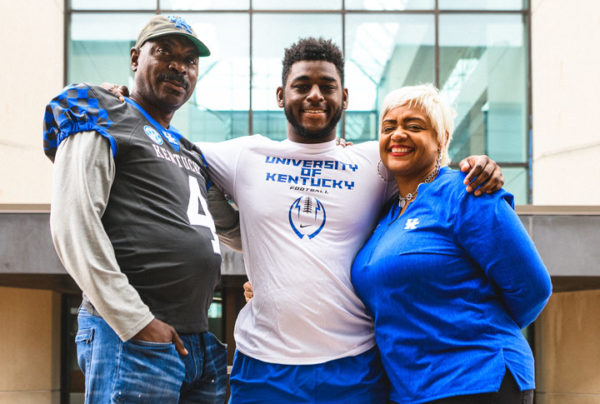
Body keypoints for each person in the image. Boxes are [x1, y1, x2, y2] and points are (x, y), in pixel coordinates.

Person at [195, 38, 504, 403]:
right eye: (301, 86)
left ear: (345, 97)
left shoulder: (375, 161)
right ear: (280, 95)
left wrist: (479, 165)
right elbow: (172, 151)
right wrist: (120, 102)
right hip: (263, 366)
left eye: (327, 87)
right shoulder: (245, 154)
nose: (314, 95)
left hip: (354, 367)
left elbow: (429, 171)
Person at [43, 15, 238, 403]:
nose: (179, 66)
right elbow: (73, 224)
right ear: (135, 58)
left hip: (198, 343)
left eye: (190, 60)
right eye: (164, 51)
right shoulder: (102, 113)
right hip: (133, 338)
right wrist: (136, 322)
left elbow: (238, 229)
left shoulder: (188, 151)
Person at [351, 84, 552, 404]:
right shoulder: (383, 212)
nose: (398, 134)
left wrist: (474, 329)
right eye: (389, 127)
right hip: (410, 389)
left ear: (442, 139)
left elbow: (534, 289)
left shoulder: (469, 192)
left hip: (476, 381)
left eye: (414, 126)